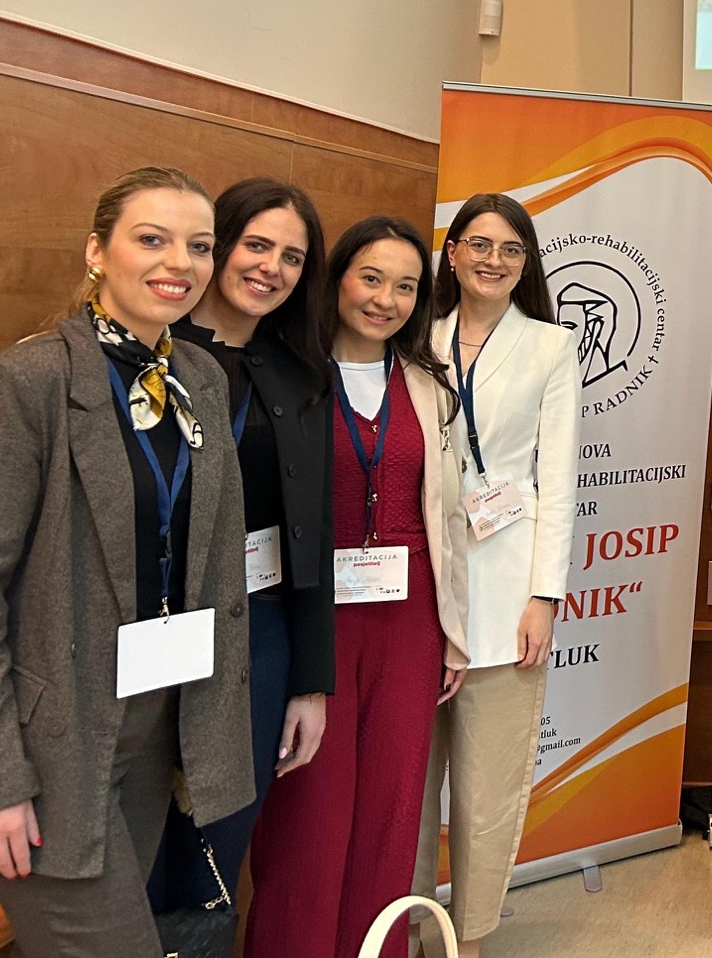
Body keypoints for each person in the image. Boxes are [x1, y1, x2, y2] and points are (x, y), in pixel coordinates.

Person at [0, 166, 253, 956]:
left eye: (199, 246)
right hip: (48, 743)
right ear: (96, 252)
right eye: (152, 239)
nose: (179, 262)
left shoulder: (199, 379)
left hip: (153, 723)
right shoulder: (22, 385)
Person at [247, 216, 471, 958]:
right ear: (336, 278)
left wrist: (454, 635)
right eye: (371, 279)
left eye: (405, 287)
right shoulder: (288, 377)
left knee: (390, 817)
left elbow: (447, 516)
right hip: (315, 619)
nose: (385, 300)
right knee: (307, 819)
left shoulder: (429, 385)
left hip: (410, 624)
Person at [148, 177, 336, 917]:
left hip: (258, 638)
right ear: (220, 244)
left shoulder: (300, 374)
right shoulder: (150, 356)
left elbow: (312, 534)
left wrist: (310, 681)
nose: (271, 268)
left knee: (214, 860)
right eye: (257, 245)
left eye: (292, 257)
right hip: (153, 632)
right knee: (138, 857)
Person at [416, 194, 578, 957]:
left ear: (526, 263)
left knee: (486, 790)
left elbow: (559, 480)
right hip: (422, 585)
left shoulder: (550, 346)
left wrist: (544, 596)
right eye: (479, 244)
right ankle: (408, 928)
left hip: (509, 587)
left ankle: (469, 938)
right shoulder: (416, 336)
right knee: (410, 787)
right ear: (451, 253)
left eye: (511, 249)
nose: (494, 260)